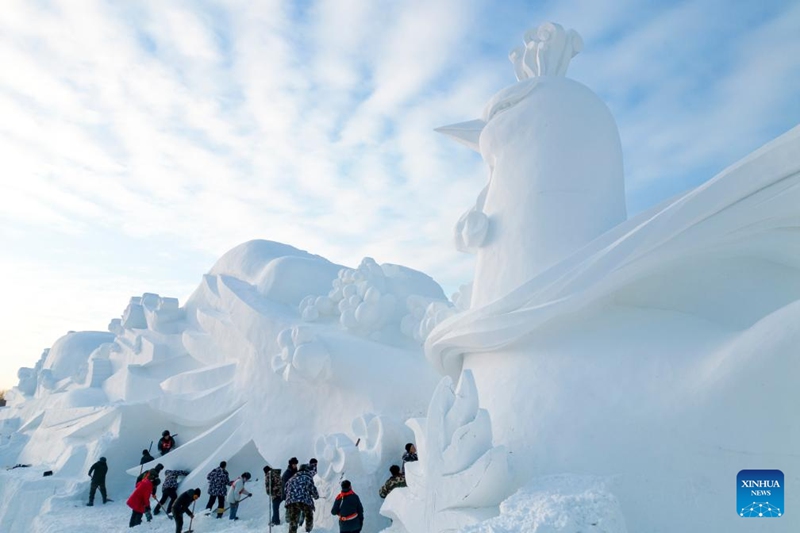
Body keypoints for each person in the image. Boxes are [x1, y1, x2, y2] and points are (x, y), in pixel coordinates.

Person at [285, 464, 319, 533]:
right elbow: (312, 489)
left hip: (291, 501)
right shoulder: (307, 477)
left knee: (293, 520)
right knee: (309, 515)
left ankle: (292, 531)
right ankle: (308, 530)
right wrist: (316, 496)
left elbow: (285, 490)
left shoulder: (291, 478)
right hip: (304, 500)